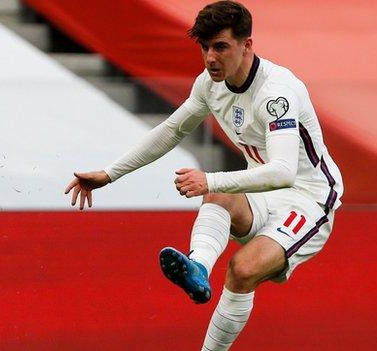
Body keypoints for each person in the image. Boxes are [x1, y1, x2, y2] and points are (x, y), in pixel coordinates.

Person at [65, 1, 343, 349]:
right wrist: (109, 174)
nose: (210, 57)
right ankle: (197, 267)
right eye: (205, 47)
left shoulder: (277, 92)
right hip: (262, 190)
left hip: (308, 199)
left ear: (247, 45)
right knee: (219, 195)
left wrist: (209, 179)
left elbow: (285, 171)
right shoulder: (210, 84)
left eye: (221, 47)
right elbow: (171, 130)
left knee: (242, 269)